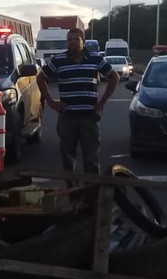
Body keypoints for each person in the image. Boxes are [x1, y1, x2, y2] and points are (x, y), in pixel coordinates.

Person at [37, 27, 119, 175]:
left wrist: (102, 101)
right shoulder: (59, 60)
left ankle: (91, 194)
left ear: (83, 42)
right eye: (69, 40)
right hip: (67, 117)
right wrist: (50, 101)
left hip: (89, 117)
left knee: (91, 158)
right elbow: (40, 78)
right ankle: (73, 193)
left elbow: (114, 77)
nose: (72, 42)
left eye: (76, 39)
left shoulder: (95, 59)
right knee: (68, 159)